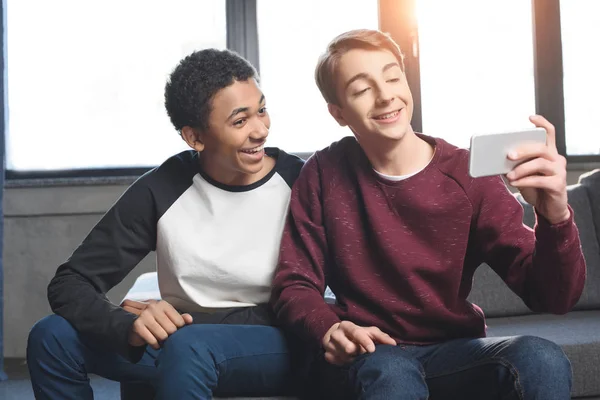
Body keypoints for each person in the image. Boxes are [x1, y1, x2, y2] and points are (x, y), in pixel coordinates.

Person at [270, 29, 586, 400]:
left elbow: (554, 298)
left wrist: (554, 217)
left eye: (392, 77)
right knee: (390, 372)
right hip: (372, 354)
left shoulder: (467, 175)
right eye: (361, 89)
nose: (386, 94)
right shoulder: (323, 173)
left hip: (454, 353)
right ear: (338, 113)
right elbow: (295, 284)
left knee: (540, 357)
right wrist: (330, 329)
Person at [26, 48, 304, 400]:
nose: (260, 130)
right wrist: (125, 325)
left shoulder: (300, 182)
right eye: (240, 121)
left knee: (189, 347)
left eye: (261, 110)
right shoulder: (164, 187)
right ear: (195, 138)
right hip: (186, 337)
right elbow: (70, 282)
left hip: (273, 341)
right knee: (51, 336)